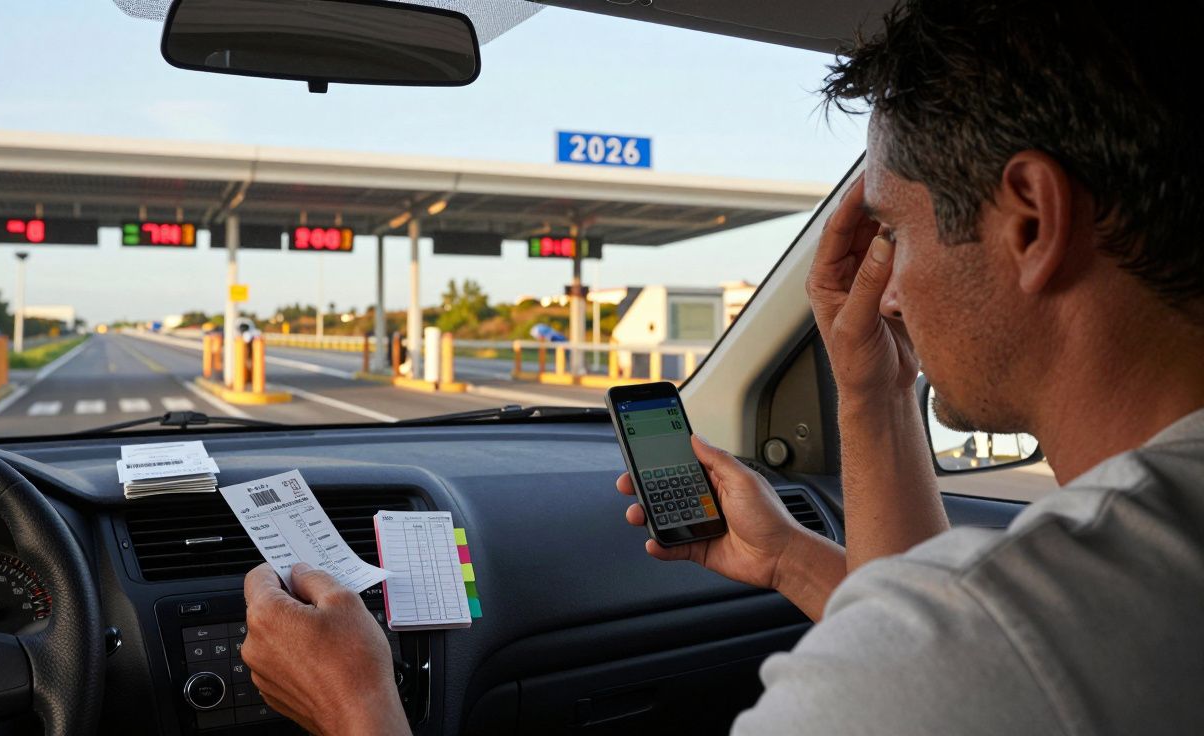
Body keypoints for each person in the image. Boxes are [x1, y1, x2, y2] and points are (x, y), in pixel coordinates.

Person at [240, 0, 1204, 733]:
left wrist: (359, 710)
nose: (891, 290)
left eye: (896, 232)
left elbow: (936, 647)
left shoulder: (982, 646)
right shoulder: (1048, 612)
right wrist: (835, 455)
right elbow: (920, 625)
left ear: (1031, 221)